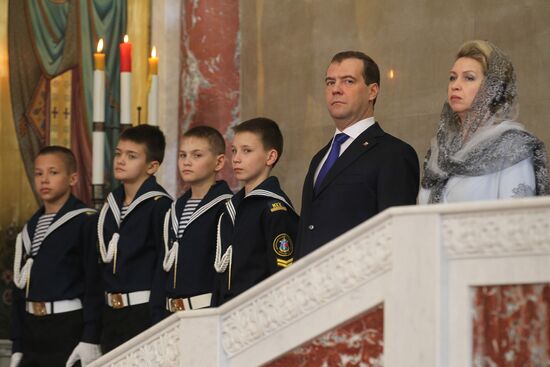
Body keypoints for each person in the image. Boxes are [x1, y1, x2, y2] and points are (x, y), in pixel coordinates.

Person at [296, 51, 420, 258]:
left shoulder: (394, 154)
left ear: (372, 91)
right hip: (312, 285)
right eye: (330, 82)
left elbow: (396, 236)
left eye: (348, 81)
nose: (335, 89)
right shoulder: (319, 158)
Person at [419, 40, 549, 204]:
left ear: (492, 87)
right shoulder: (440, 150)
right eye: (452, 78)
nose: (455, 85)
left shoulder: (512, 147)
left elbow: (517, 220)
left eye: (469, 78)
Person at [11, 146, 102, 367]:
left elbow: (95, 283)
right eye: (39, 173)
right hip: (33, 329)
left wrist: (90, 337)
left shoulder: (85, 221)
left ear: (73, 178)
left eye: (53, 172)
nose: (44, 180)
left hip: (67, 327)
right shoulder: (29, 229)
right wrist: (18, 346)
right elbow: (20, 290)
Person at [97, 125, 172, 352]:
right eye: (118, 153)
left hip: (142, 314)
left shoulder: (160, 206)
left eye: (131, 156)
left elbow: (163, 266)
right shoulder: (110, 206)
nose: (121, 160)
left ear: (152, 166)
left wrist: (158, 319)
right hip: (110, 314)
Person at [213, 118, 299, 305]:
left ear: (270, 157)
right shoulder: (232, 207)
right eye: (234, 150)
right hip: (224, 314)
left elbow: (283, 272)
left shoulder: (275, 209)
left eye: (247, 151)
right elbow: (221, 272)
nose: (236, 158)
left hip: (256, 312)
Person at [157, 126, 232, 316]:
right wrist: (156, 313)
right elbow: (162, 266)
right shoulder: (174, 209)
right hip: (169, 314)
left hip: (204, 313)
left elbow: (226, 272)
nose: (187, 162)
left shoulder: (226, 207)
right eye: (182, 156)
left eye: (196, 156)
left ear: (219, 162)